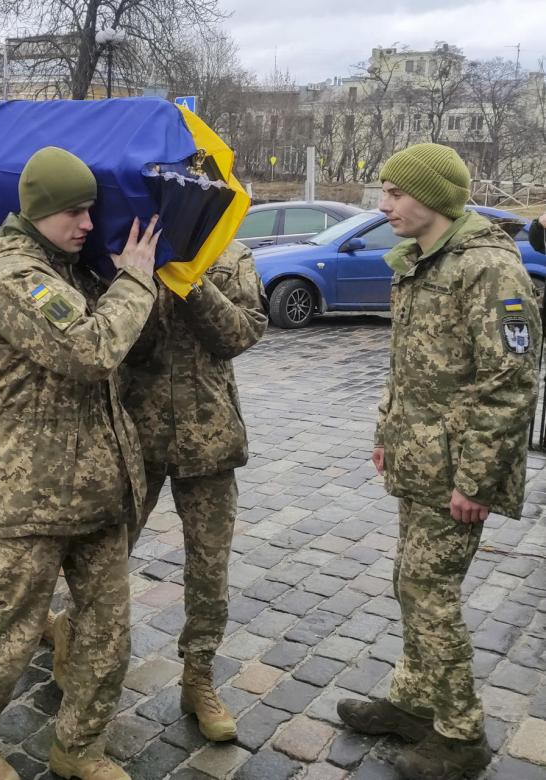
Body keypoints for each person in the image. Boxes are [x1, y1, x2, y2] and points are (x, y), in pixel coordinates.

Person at [0, 147, 160, 780]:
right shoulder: (16, 277)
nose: (87, 223)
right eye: (73, 212)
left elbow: (127, 343)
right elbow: (92, 350)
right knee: (13, 629)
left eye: (91, 209)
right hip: (35, 491)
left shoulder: (68, 268)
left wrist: (125, 276)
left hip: (97, 485)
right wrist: (137, 276)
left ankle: (78, 746)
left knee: (106, 631)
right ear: (36, 212)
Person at [336, 143, 540, 780]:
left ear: (436, 197)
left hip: (459, 474)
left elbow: (509, 383)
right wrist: (386, 433)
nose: (384, 204)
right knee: (410, 581)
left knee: (430, 591)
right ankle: (414, 699)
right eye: (384, 192)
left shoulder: (487, 269)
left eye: (397, 193)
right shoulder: (424, 261)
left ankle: (460, 734)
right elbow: (411, 366)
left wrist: (476, 481)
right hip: (421, 460)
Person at [117, 240, 266, 742]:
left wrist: (192, 282)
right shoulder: (126, 248)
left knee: (209, 565)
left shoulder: (232, 256)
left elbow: (241, 333)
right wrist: (140, 274)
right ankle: (79, 644)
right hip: (139, 431)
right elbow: (115, 343)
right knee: (108, 556)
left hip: (210, 436)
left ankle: (198, 676)